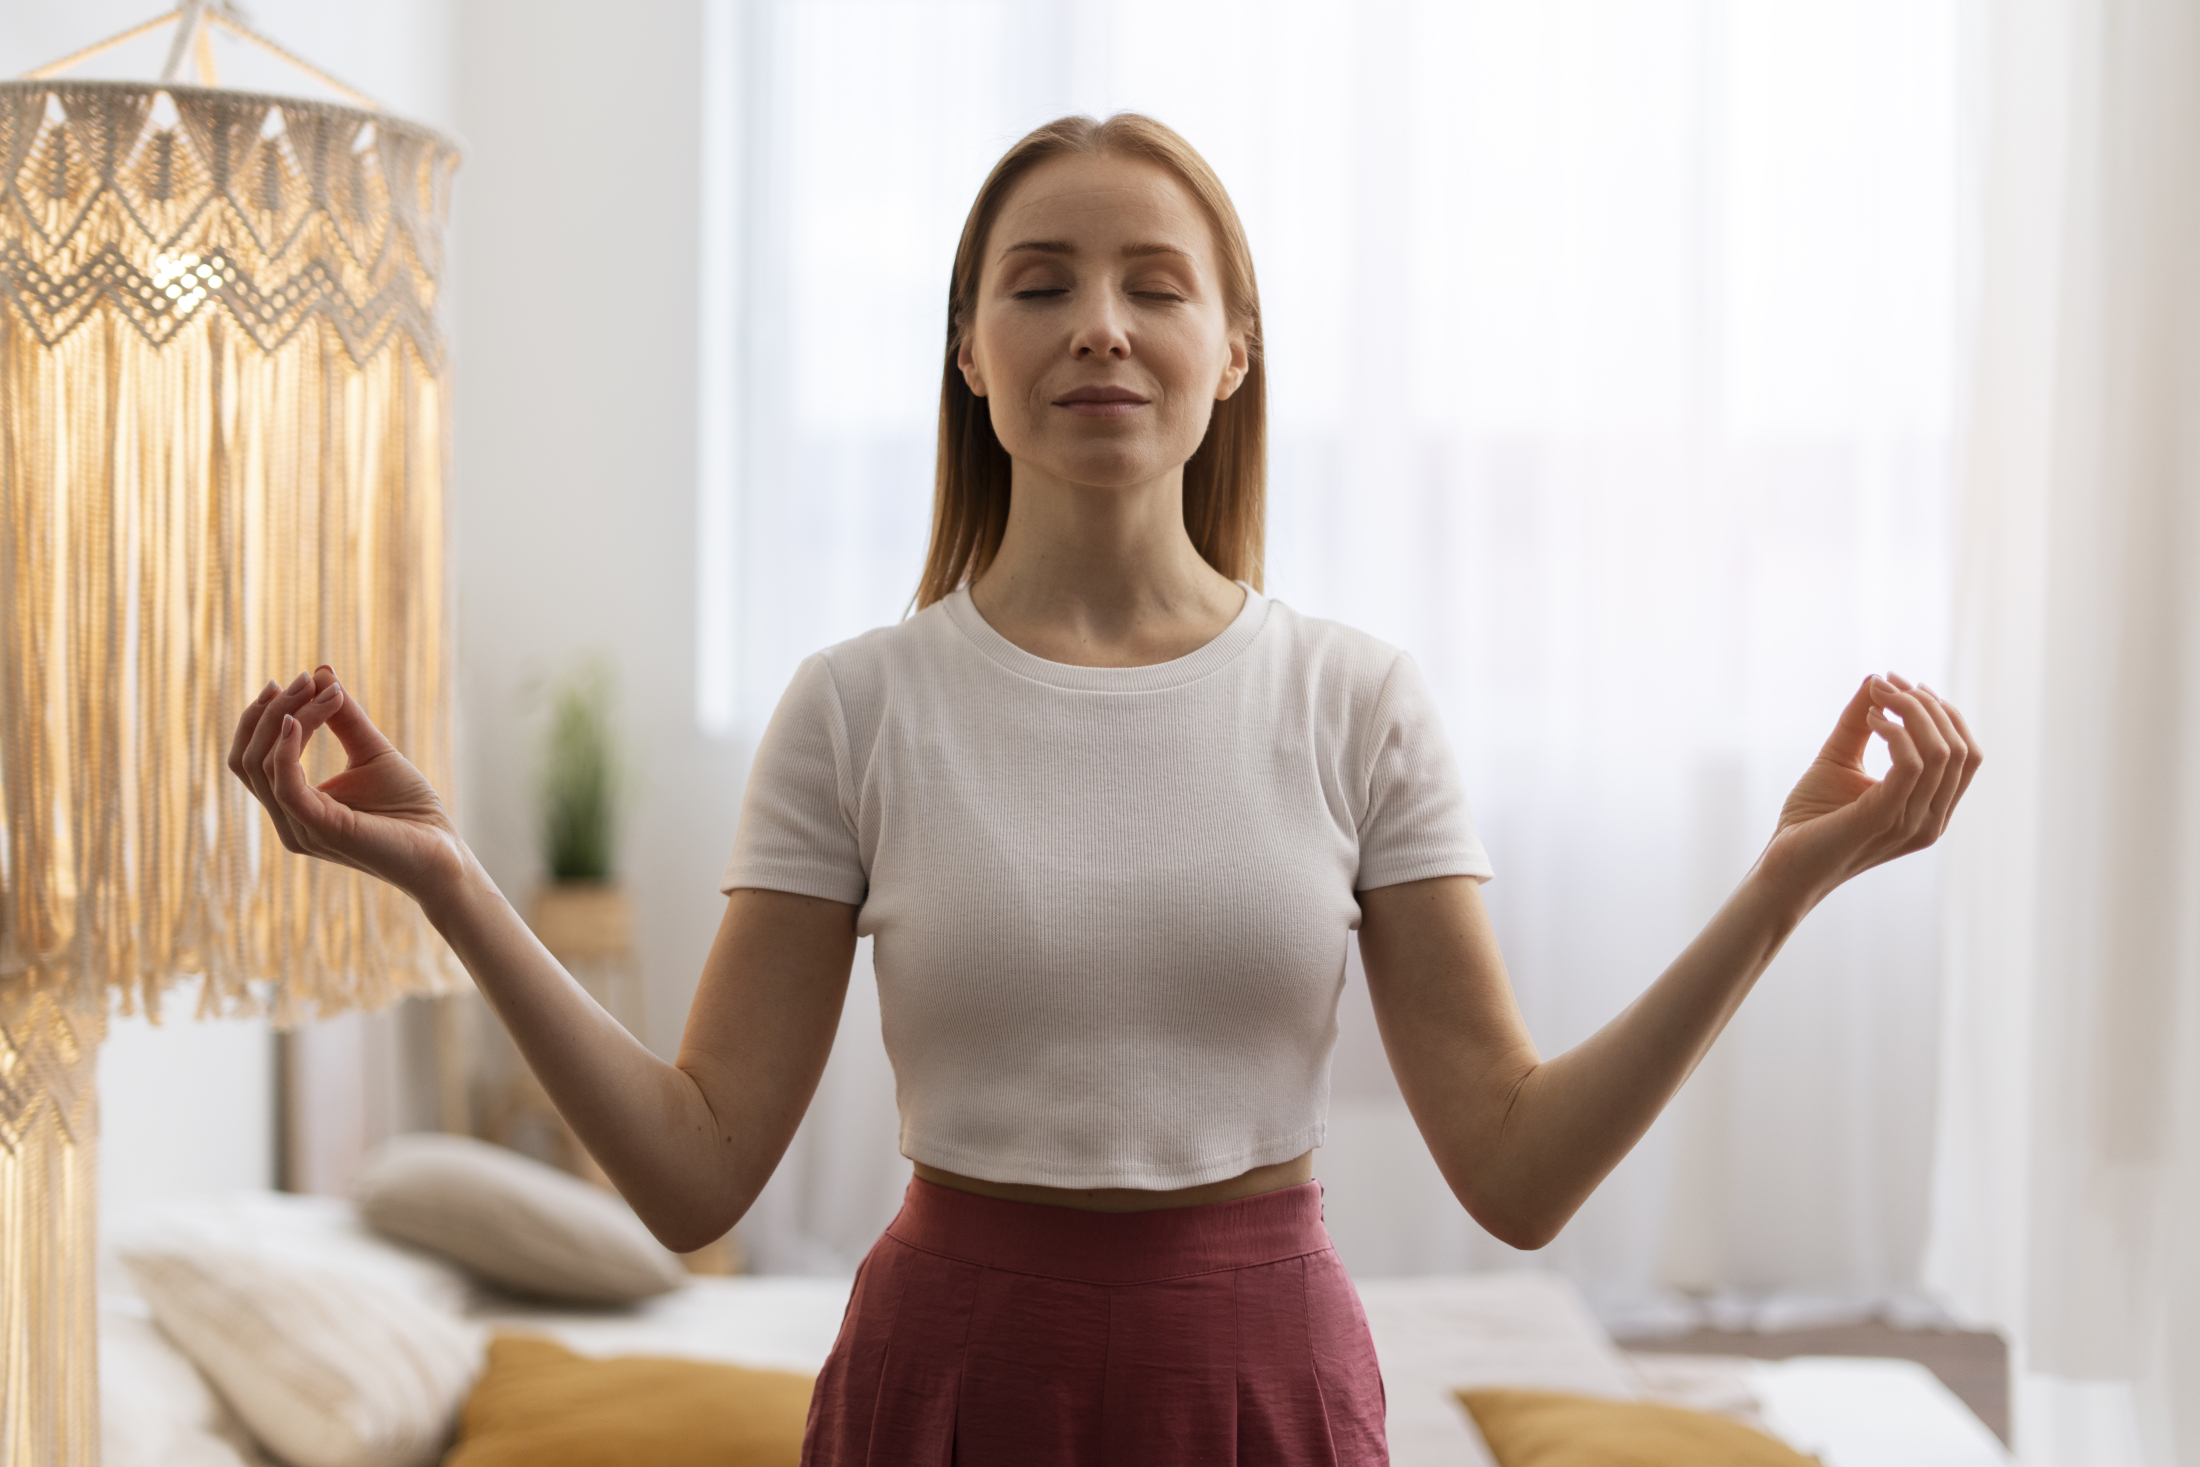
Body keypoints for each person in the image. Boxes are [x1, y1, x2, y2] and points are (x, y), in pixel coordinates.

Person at [229, 113, 1980, 1466]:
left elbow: (1519, 1174)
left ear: (1234, 352)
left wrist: (1778, 889)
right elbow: (696, 1179)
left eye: (1157, 282)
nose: (1100, 329)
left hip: (1262, 1384)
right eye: (1040, 282)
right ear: (969, 355)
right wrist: (452, 878)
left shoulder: (1352, 699)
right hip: (950, 1383)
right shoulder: (857, 707)